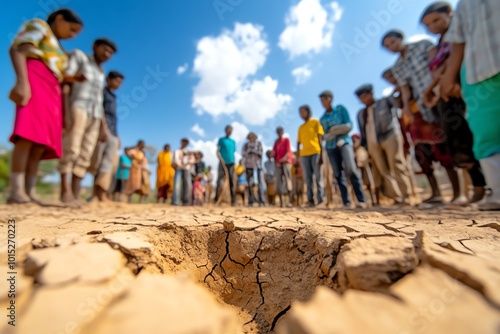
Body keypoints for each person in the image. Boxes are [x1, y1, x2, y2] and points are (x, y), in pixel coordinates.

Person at [7, 9, 84, 204]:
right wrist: (22, 82)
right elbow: (18, 48)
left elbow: (59, 73)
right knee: (27, 135)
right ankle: (16, 190)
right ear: (59, 19)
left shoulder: (61, 51)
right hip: (35, 79)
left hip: (53, 91)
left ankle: (29, 191)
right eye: (72, 29)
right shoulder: (39, 26)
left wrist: (72, 78)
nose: (73, 35)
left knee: (40, 144)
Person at [420, 1, 487, 205]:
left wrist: (453, 81)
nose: (433, 27)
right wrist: (432, 90)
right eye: (428, 25)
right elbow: (438, 72)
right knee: (456, 140)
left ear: (450, 12)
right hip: (445, 97)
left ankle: (485, 185)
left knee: (475, 135)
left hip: (465, 89)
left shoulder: (459, 34)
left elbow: (457, 60)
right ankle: (479, 185)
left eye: (436, 20)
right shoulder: (438, 46)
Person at [382, 31, 460, 204]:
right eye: (387, 46)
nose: (391, 47)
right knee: (423, 153)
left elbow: (436, 66)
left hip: (439, 97)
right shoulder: (397, 67)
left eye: (393, 42)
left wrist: (436, 87)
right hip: (420, 109)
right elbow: (405, 90)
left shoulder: (423, 45)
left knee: (444, 147)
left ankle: (457, 192)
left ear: (401, 38)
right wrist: (408, 110)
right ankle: (435, 192)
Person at [440, 0, 500, 210]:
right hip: (477, 73)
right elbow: (458, 41)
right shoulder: (465, 5)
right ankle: (497, 189)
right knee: (486, 131)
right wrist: (449, 76)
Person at [58, 37, 117, 204]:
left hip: (95, 115)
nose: (107, 54)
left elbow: (99, 100)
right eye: (104, 49)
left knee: (86, 153)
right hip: (78, 107)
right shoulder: (79, 57)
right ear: (95, 46)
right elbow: (65, 81)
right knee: (72, 146)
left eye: (110, 53)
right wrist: (66, 112)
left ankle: (76, 193)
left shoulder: (100, 72)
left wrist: (103, 127)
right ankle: (65, 190)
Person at [355, 84, 413, 205]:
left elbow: (398, 102)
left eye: (365, 96)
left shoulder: (385, 102)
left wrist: (399, 87)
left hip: (390, 136)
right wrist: (366, 148)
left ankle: (406, 195)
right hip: (372, 142)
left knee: (397, 163)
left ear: (371, 93)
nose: (363, 99)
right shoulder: (361, 114)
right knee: (383, 170)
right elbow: (362, 131)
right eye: (361, 98)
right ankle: (396, 197)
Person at [319, 90, 367, 208]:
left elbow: (348, 126)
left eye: (324, 99)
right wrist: (336, 132)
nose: (322, 103)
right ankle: (346, 202)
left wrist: (334, 130)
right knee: (337, 174)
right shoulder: (323, 118)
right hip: (330, 147)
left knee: (351, 169)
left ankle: (361, 200)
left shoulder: (340, 109)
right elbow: (324, 136)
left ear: (330, 98)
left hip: (345, 143)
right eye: (321, 101)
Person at [89, 71, 124, 202]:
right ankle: (95, 193)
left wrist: (117, 136)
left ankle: (102, 193)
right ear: (108, 79)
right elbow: (100, 111)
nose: (118, 85)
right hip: (103, 131)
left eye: (120, 83)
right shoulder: (101, 92)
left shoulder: (113, 97)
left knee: (109, 163)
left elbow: (114, 118)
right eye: (117, 81)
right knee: (97, 161)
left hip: (113, 133)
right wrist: (103, 128)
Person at [297, 105, 325, 207]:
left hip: (316, 152)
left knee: (318, 177)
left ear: (308, 112)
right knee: (308, 179)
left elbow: (320, 138)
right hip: (304, 155)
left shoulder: (315, 122)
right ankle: (310, 201)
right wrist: (298, 157)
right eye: (300, 112)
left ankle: (321, 200)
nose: (302, 114)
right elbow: (298, 143)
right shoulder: (301, 128)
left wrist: (322, 154)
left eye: (303, 111)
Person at [352, 134, 380, 206]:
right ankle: (367, 201)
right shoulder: (353, 150)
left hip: (366, 169)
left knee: (371, 184)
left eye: (355, 139)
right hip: (359, 171)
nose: (354, 140)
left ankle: (375, 201)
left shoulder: (362, 149)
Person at [242, 132, 265, 206]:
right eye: (250, 137)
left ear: (255, 137)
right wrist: (249, 151)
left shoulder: (259, 144)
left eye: (253, 137)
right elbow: (243, 154)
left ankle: (261, 200)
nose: (251, 138)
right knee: (249, 184)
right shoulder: (245, 145)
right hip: (248, 167)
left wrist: (254, 151)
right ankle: (251, 200)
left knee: (260, 183)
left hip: (257, 166)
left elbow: (261, 153)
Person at [273, 127, 294, 207]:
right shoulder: (276, 142)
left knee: (288, 180)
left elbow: (288, 151)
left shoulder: (286, 140)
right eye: (277, 132)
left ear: (282, 132)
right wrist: (276, 161)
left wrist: (283, 159)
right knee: (279, 182)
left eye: (280, 131)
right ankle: (281, 202)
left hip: (286, 163)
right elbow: (274, 152)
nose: (279, 133)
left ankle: (289, 201)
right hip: (278, 164)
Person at [216, 125, 236, 205]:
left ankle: (233, 201)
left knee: (231, 181)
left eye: (231, 130)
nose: (229, 131)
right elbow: (217, 151)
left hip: (231, 162)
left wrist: (234, 162)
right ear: (225, 130)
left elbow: (233, 152)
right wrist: (220, 158)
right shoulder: (221, 140)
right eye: (228, 129)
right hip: (222, 162)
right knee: (220, 180)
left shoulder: (233, 141)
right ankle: (217, 199)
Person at [172, 138, 192, 206]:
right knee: (177, 184)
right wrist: (178, 165)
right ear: (181, 142)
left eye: (186, 142)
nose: (185, 144)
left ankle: (186, 201)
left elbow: (191, 160)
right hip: (178, 168)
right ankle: (175, 201)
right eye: (184, 142)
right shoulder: (177, 151)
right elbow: (174, 161)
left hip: (186, 169)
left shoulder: (188, 152)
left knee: (187, 185)